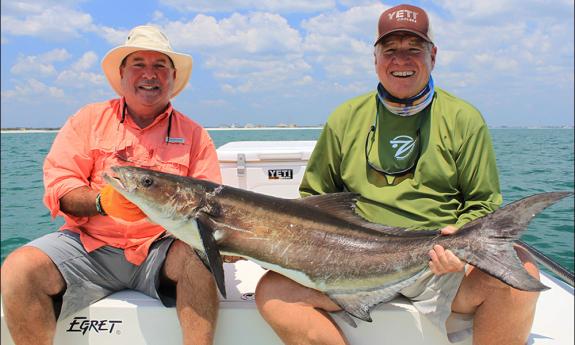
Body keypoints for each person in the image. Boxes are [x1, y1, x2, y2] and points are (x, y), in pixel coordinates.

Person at [255, 4, 540, 345]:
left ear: (433, 55)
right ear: (375, 58)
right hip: (351, 262)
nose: (401, 60)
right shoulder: (344, 118)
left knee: (520, 275)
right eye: (390, 50)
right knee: (273, 291)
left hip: (437, 264)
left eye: (413, 50)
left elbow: (482, 202)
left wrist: (458, 243)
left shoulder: (464, 118)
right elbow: (313, 200)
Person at [1, 25, 224, 345]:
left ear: (173, 78)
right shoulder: (86, 120)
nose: (150, 74)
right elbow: (60, 187)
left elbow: (210, 205)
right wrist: (101, 202)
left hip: (159, 249)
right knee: (19, 268)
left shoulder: (195, 135)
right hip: (89, 246)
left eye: (160, 65)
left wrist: (226, 241)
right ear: (122, 75)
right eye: (138, 64)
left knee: (200, 256)